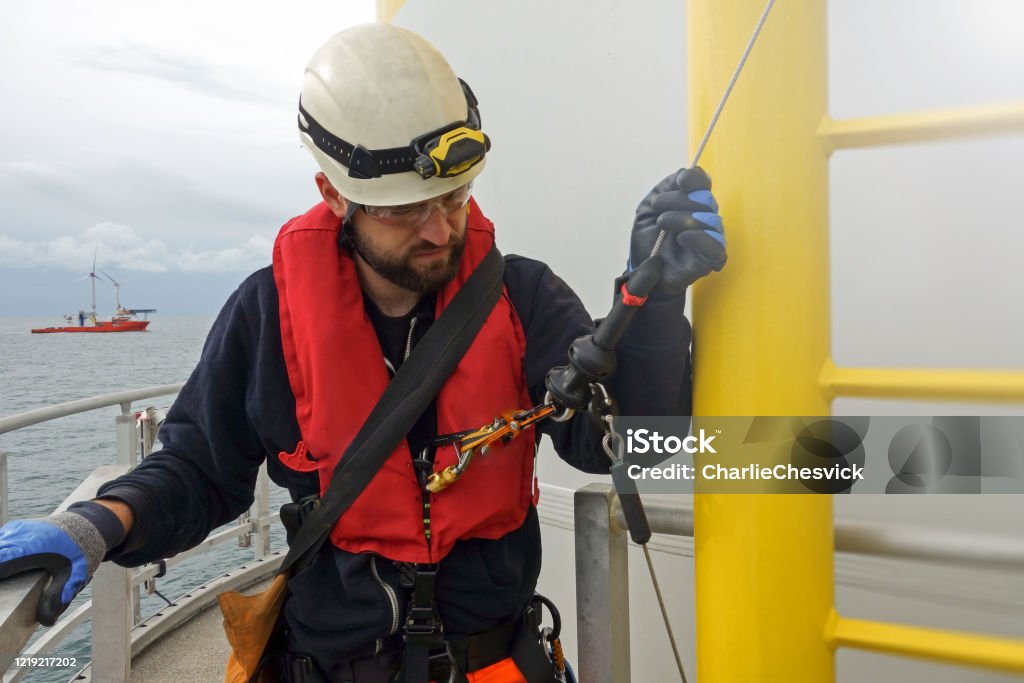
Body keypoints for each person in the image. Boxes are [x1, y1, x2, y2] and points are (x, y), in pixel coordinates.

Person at [0, 23, 725, 683]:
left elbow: (630, 446)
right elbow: (198, 469)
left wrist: (655, 308)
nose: (439, 230)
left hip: (494, 663)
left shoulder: (521, 297)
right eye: (406, 209)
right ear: (333, 193)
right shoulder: (269, 313)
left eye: (454, 197)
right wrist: (96, 524)